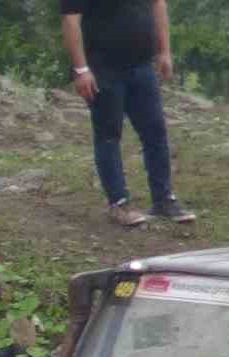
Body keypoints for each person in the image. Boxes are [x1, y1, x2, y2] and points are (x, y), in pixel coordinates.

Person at [61, 0, 197, 228]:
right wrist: (81, 69)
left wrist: (164, 51)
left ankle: (163, 200)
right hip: (103, 68)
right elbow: (70, 21)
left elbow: (158, 4)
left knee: (155, 132)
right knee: (108, 135)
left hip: (142, 66)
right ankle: (119, 203)